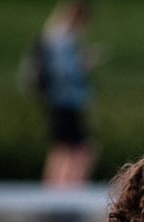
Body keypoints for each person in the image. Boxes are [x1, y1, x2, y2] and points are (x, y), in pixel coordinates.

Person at [40, 1, 97, 187]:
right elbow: (63, 70)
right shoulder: (62, 38)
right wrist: (83, 63)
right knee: (76, 150)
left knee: (63, 148)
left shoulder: (54, 34)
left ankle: (58, 190)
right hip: (64, 100)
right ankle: (65, 191)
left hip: (60, 100)